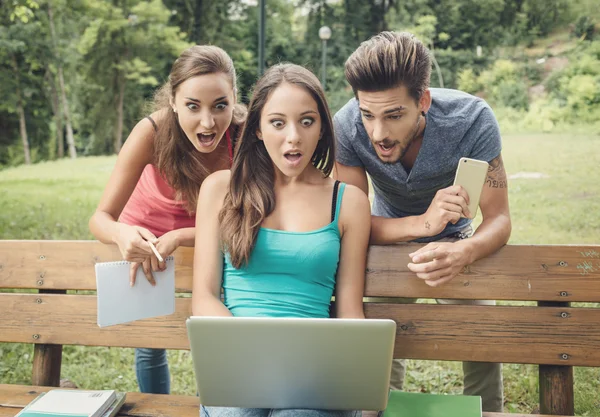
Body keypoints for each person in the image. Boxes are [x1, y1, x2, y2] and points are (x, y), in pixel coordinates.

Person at [333, 31, 511, 412]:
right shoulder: (346, 126)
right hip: (383, 239)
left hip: (458, 240)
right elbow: (353, 221)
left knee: (483, 329)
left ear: (423, 101)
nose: (378, 133)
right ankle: (376, 410)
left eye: (394, 115)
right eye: (368, 114)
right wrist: (423, 224)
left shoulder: (472, 120)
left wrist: (465, 251)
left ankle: (487, 411)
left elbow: (498, 218)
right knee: (375, 333)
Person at [191, 63, 371, 417]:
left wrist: (361, 391)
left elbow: (350, 310)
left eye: (307, 121)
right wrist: (251, 351)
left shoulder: (348, 202)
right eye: (277, 123)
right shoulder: (220, 190)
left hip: (315, 372)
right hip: (239, 364)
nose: (294, 137)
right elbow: (204, 297)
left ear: (322, 128)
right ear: (257, 128)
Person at [89, 45, 246, 394]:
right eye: (193, 106)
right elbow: (100, 217)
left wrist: (184, 236)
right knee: (150, 343)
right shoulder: (151, 132)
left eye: (221, 105)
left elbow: (254, 216)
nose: (208, 122)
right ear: (173, 101)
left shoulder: (247, 134)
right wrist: (121, 234)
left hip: (215, 235)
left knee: (224, 328)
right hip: (150, 238)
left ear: (234, 99)